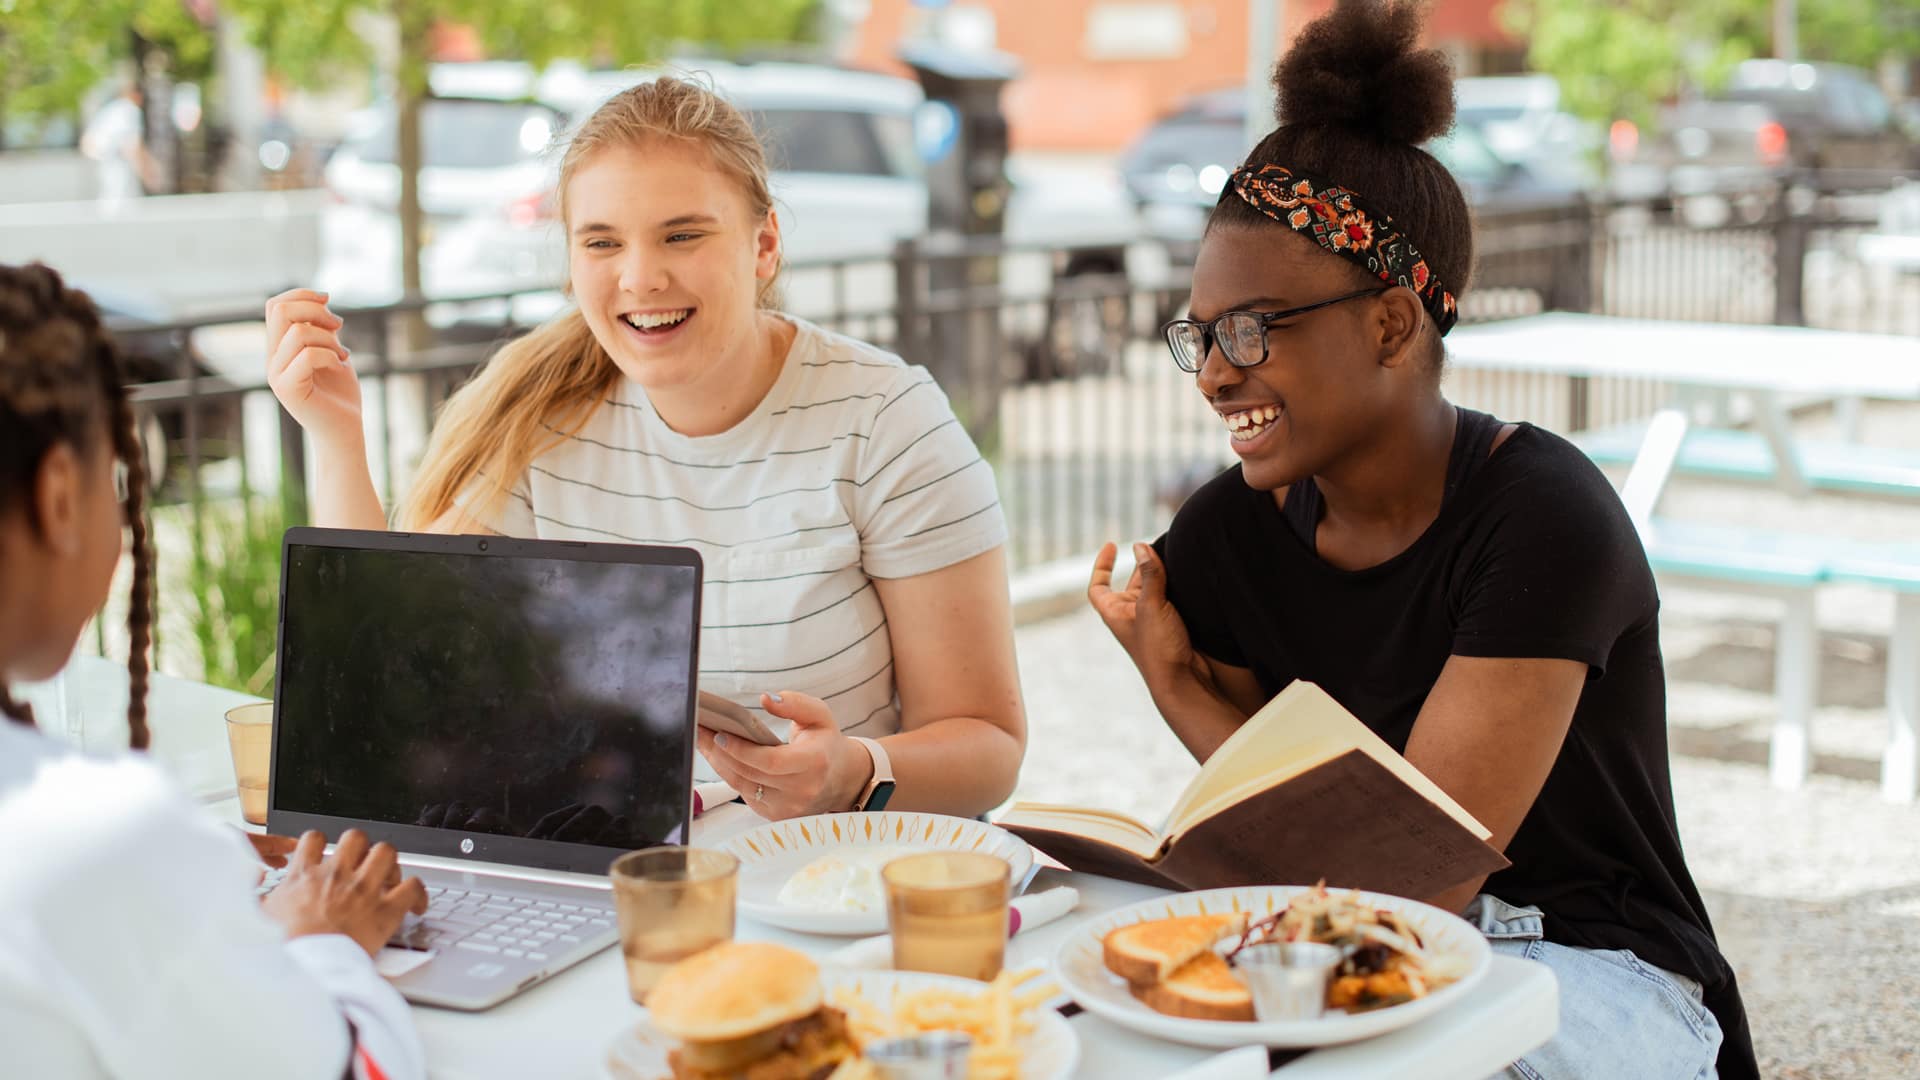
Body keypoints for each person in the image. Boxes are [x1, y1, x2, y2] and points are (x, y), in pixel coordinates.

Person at [1086, 3, 1756, 1077]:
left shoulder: (1544, 519)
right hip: (1353, 943)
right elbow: (1302, 846)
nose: (1215, 372)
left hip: (1595, 968)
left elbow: (1419, 879)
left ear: (1392, 325)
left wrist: (1180, 691)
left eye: (1253, 329)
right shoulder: (1230, 531)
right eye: (1201, 335)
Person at [265, 75, 1025, 822]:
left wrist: (857, 774)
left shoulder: (886, 420)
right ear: (570, 263)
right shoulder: (533, 414)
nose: (641, 277)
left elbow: (988, 747)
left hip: (827, 886)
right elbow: (387, 672)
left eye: (683, 235)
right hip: (606, 870)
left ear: (764, 245)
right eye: (602, 242)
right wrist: (336, 435)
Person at [0, 262, 430, 1079]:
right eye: (116, 477)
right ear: (60, 495)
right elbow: (356, 1066)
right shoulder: (92, 845)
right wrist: (328, 940)